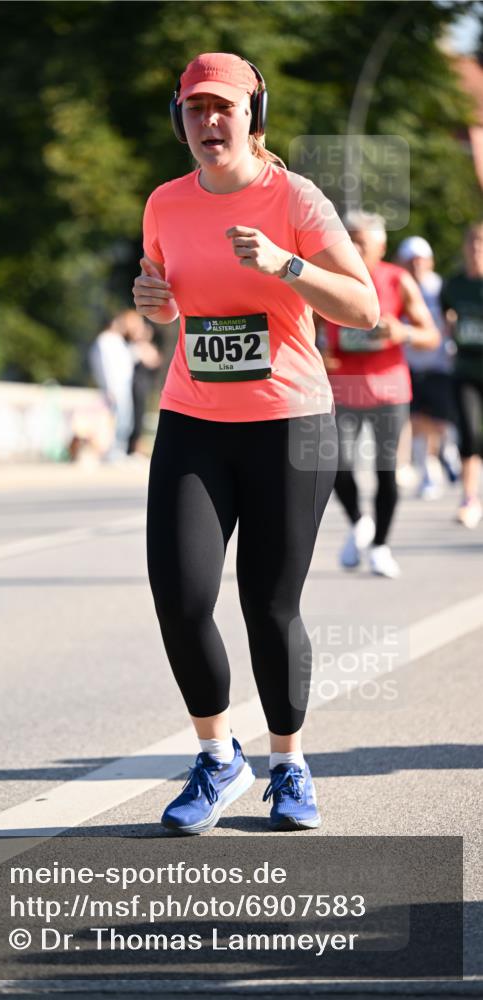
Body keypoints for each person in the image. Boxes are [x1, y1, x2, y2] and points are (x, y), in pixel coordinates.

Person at [133, 52, 379, 834]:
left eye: (224, 109)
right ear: (180, 118)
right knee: (180, 598)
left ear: (251, 115)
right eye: (196, 109)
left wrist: (287, 264)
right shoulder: (164, 205)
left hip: (288, 425)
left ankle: (290, 765)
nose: (210, 122)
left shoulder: (293, 197)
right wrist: (155, 305)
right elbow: (169, 303)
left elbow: (363, 306)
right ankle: (216, 757)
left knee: (268, 606)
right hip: (192, 420)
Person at [322, 213, 439, 579]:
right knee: (333, 466)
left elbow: (430, 335)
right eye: (350, 240)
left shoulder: (397, 279)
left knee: (386, 472)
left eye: (362, 242)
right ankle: (360, 523)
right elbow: (306, 325)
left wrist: (401, 333)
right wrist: (316, 351)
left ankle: (381, 547)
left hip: (388, 389)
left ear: (381, 246)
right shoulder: (331, 277)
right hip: (342, 387)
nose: (355, 248)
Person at [396, 236, 458, 500]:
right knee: (418, 418)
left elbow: (452, 318)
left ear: (430, 262)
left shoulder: (439, 287)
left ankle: (445, 453)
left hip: (438, 362)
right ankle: (429, 471)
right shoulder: (398, 286)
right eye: (411, 261)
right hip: (409, 363)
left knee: (440, 421)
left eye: (421, 260)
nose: (417, 265)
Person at [442, 222, 483, 528]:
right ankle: (469, 498)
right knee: (469, 432)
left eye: (481, 244)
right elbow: (447, 314)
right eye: (472, 243)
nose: (476, 249)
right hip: (466, 369)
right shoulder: (454, 285)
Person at [87, 311, 136, 462]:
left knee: (125, 419)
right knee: (116, 419)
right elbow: (105, 366)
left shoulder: (117, 340)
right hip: (115, 386)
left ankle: (119, 449)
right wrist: (110, 387)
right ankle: (113, 451)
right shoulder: (105, 340)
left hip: (123, 384)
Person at [126, 319, 163, 457]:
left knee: (140, 416)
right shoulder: (135, 346)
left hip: (144, 384)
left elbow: (156, 360)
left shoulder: (148, 347)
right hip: (136, 384)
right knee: (133, 415)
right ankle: (130, 448)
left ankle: (135, 448)